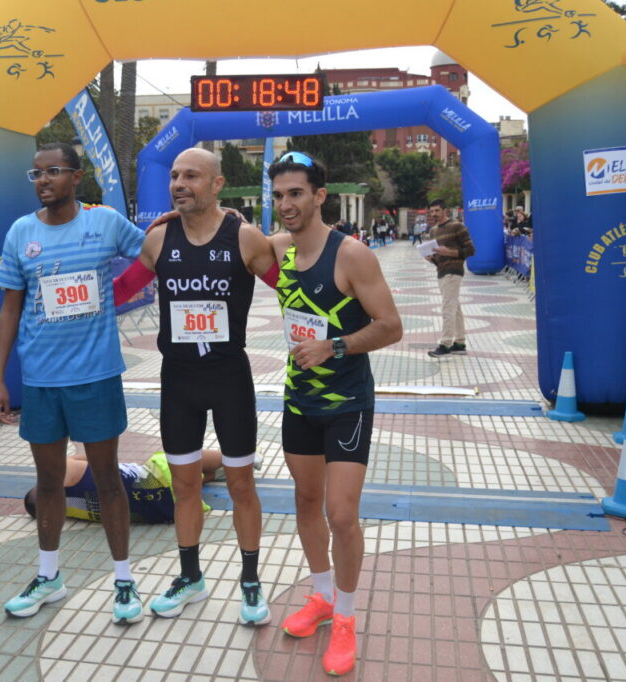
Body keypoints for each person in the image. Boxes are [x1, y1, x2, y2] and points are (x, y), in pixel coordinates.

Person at [0, 142, 146, 625]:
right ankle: (49, 576)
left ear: (77, 177)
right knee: (49, 482)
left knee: (108, 482)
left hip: (96, 375)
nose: (42, 180)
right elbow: (11, 307)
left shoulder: (103, 223)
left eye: (53, 171)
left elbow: (157, 254)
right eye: (35, 173)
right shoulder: (21, 233)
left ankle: (124, 580)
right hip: (41, 379)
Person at [267, 151, 403, 677]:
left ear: (319, 196)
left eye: (296, 193)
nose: (286, 204)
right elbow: (217, 230)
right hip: (298, 401)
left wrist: (335, 347)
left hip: (347, 404)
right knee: (304, 501)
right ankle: (321, 596)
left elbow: (390, 326)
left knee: (341, 515)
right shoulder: (280, 250)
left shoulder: (352, 255)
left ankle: (345, 617)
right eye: (279, 195)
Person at [132, 148, 275, 626]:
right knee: (185, 485)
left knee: (241, 485)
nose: (178, 183)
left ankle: (251, 583)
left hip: (229, 379)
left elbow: (297, 285)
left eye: (191, 175)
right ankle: (190, 577)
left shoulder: (245, 236)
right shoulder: (158, 239)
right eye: (174, 175)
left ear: (217, 184)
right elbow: (117, 291)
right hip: (178, 382)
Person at [23, 449, 226, 524]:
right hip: (160, 480)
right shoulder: (62, 473)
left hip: (165, 510)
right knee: (173, 456)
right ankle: (233, 458)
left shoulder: (72, 511)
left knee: (184, 479)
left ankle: (207, 475)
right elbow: (95, 456)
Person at [425, 199, 476, 358]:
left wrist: (450, 253)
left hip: (454, 271)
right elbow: (438, 257)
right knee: (455, 308)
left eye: (437, 211)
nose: (434, 214)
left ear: (445, 210)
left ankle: (445, 344)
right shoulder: (433, 231)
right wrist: (431, 258)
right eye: (432, 211)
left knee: (447, 307)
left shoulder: (457, 227)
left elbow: (470, 250)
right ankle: (459, 342)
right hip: (441, 270)